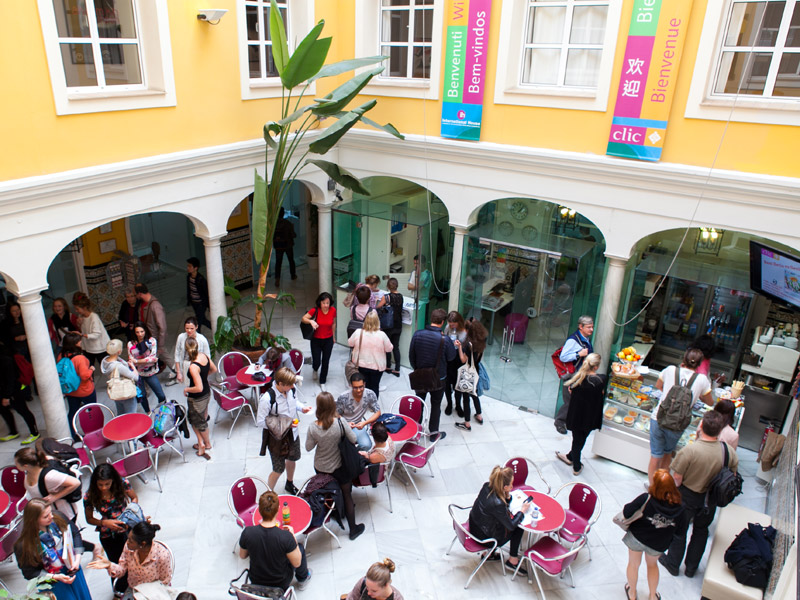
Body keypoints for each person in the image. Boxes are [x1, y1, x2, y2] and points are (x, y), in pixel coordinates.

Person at [658, 411, 739, 579]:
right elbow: (733, 474)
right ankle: (691, 568)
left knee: (680, 530)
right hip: (711, 500)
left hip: (688, 497)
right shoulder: (728, 451)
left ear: (701, 426)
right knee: (701, 531)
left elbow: (678, 479)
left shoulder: (690, 450)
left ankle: (673, 564)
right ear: (720, 430)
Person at [648, 348, 713, 486]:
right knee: (667, 454)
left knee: (655, 455)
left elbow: (659, 385)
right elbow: (710, 402)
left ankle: (652, 487)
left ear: (684, 359)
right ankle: (661, 488)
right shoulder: (702, 380)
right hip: (677, 424)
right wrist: (697, 394)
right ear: (700, 364)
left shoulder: (670, 369)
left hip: (658, 418)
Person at [305, 392, 365, 540]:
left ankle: (333, 510)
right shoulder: (340, 422)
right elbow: (354, 439)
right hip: (340, 467)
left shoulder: (313, 427)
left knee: (328, 490)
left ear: (319, 407)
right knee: (347, 494)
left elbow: (308, 447)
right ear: (333, 405)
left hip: (320, 467)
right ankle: (353, 529)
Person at [622, 469, 684, 600]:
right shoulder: (680, 508)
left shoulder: (646, 499)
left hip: (637, 538)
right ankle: (652, 596)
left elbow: (627, 512)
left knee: (633, 564)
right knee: (652, 566)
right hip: (658, 544)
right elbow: (680, 532)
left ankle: (632, 593)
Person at [14, 499, 93, 600]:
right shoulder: (24, 545)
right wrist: (55, 577)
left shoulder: (57, 517)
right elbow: (29, 573)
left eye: (50, 512)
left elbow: (75, 533)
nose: (51, 516)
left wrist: (77, 559)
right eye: (46, 516)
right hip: (51, 581)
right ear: (33, 520)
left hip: (73, 567)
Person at [83, 463, 139, 597]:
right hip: (108, 534)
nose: (103, 488)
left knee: (132, 558)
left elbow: (134, 498)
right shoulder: (90, 495)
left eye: (107, 484)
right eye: (100, 484)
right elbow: (89, 519)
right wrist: (104, 522)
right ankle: (119, 590)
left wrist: (129, 513)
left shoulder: (122, 483)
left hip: (126, 529)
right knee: (114, 563)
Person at [238, 491, 312, 590]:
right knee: (300, 548)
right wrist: (292, 536)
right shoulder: (286, 537)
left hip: (256, 580)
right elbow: (297, 563)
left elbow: (243, 555)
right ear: (278, 510)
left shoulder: (248, 532)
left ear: (259, 510)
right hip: (280, 583)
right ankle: (303, 579)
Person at [469, 466, 531, 574]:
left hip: (474, 526)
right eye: (511, 484)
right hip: (484, 538)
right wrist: (522, 511)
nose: (512, 486)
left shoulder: (486, 486)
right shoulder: (498, 504)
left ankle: (489, 554)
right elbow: (511, 526)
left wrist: (507, 496)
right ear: (505, 487)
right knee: (518, 527)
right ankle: (513, 561)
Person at [258, 367, 310, 494]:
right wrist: (286, 424)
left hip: (293, 434)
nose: (293, 386)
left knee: (292, 459)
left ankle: (289, 483)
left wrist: (302, 408)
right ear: (280, 384)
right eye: (290, 384)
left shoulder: (291, 389)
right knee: (278, 468)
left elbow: (294, 402)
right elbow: (261, 422)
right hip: (277, 439)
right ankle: (269, 494)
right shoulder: (267, 399)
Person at [89, 521, 173, 596]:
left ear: (142, 544)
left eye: (131, 541)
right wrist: (109, 565)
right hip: (133, 590)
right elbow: (121, 570)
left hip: (153, 594)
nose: (127, 542)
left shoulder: (162, 556)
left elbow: (165, 582)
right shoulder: (128, 548)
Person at [554, 352, 605, 475]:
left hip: (577, 417)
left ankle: (571, 458)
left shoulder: (577, 382)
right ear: (596, 367)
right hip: (591, 417)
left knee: (577, 440)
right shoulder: (601, 380)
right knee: (581, 440)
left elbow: (572, 394)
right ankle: (576, 466)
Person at [408, 308, 457, 434]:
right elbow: (451, 357)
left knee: (419, 404)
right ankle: (434, 433)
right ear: (442, 322)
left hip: (420, 376)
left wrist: (417, 369)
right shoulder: (445, 340)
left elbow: (411, 356)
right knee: (436, 406)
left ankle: (416, 431)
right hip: (438, 379)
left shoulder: (417, 334)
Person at [15, 447, 81, 522]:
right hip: (46, 515)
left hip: (63, 515)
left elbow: (76, 482)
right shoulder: (28, 471)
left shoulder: (49, 476)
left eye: (16, 463)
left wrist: (55, 497)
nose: (15, 465)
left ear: (25, 466)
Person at [554, 315, 594, 435]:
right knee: (570, 400)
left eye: (592, 327)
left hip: (581, 374)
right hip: (572, 376)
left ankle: (572, 420)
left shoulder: (585, 339)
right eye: (588, 327)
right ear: (580, 327)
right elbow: (563, 356)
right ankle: (560, 421)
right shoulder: (573, 340)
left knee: (577, 399)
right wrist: (578, 354)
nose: (591, 330)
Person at [182, 337, 217, 460]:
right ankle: (201, 441)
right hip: (207, 394)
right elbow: (214, 369)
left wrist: (187, 389)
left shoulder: (193, 366)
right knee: (199, 418)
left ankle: (205, 444)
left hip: (197, 398)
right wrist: (203, 377)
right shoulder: (204, 356)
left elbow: (198, 388)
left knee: (197, 421)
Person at [59, 332, 97, 440]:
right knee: (91, 411)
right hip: (84, 390)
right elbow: (84, 376)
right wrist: (91, 369)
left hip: (70, 390)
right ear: (75, 344)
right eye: (79, 341)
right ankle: (93, 433)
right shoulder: (79, 358)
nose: (81, 342)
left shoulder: (61, 355)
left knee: (72, 412)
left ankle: (72, 434)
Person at [0, 342, 39, 444]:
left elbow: (11, 379)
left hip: (13, 391)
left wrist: (7, 396)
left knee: (23, 410)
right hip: (4, 390)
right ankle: (13, 432)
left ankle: (34, 433)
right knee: (4, 411)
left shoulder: (6, 360)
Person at [454, 318, 488, 431]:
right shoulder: (482, 341)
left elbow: (463, 360)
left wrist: (459, 347)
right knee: (474, 394)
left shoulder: (469, 345)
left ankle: (467, 423)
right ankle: (479, 415)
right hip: (476, 371)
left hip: (468, 373)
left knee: (466, 398)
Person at [349, 311, 393, 398]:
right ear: (377, 322)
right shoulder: (382, 335)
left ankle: (362, 404)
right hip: (377, 366)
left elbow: (350, 343)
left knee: (363, 386)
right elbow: (389, 348)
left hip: (361, 365)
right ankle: (373, 405)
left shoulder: (358, 332)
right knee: (374, 387)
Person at [135, 283, 173, 381]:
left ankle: (178, 372)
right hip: (148, 337)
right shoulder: (143, 304)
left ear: (139, 293)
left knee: (158, 356)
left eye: (135, 294)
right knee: (163, 355)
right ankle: (178, 372)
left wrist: (160, 343)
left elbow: (162, 327)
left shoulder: (155, 306)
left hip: (154, 338)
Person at [336, 373, 381, 451]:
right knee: (341, 447)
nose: (358, 390)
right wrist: (346, 424)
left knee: (367, 445)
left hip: (357, 424)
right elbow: (335, 415)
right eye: (355, 387)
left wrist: (365, 423)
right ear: (350, 386)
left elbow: (378, 412)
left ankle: (354, 456)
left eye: (361, 387)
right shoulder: (343, 397)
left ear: (364, 384)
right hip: (343, 425)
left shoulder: (370, 394)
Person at [127, 321, 166, 412]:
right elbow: (131, 360)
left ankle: (164, 412)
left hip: (150, 372)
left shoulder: (151, 341)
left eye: (142, 331)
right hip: (138, 374)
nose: (140, 334)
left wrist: (137, 361)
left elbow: (152, 358)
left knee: (160, 395)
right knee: (142, 395)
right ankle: (147, 412)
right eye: (137, 332)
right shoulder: (131, 344)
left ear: (145, 331)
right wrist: (145, 361)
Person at [302, 292, 336, 391]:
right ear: (320, 303)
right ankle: (315, 369)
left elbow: (333, 323)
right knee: (316, 360)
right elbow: (303, 318)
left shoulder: (333, 310)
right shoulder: (315, 310)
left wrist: (333, 336)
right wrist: (311, 321)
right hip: (316, 340)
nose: (326, 305)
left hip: (328, 339)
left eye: (327, 303)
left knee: (326, 361)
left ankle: (322, 381)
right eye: (324, 303)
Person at [101, 339, 140, 416]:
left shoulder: (105, 361)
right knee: (131, 415)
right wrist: (133, 367)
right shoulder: (118, 366)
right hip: (125, 391)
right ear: (119, 351)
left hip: (115, 390)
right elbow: (136, 377)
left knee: (120, 413)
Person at [73, 295, 110, 368]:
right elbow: (83, 330)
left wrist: (83, 335)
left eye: (77, 309)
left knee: (106, 368)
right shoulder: (82, 317)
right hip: (88, 347)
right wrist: (79, 324)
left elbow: (96, 334)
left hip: (99, 348)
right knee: (88, 368)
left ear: (84, 308)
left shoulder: (94, 317)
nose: (76, 311)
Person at [173, 317, 211, 386]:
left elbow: (207, 356)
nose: (189, 330)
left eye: (191, 328)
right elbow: (177, 354)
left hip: (198, 366)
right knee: (188, 386)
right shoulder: (181, 337)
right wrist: (178, 372)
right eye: (187, 328)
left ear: (196, 327)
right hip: (186, 364)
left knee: (198, 386)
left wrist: (205, 371)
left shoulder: (202, 339)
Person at [443, 311, 467, 416]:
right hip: (448, 358)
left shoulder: (464, 332)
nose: (451, 325)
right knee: (447, 384)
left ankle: (458, 405)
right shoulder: (448, 328)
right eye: (450, 322)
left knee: (458, 385)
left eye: (454, 323)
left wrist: (459, 345)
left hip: (458, 359)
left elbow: (466, 348)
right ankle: (449, 403)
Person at [383, 278, 404, 377]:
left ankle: (388, 366)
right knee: (396, 347)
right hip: (398, 325)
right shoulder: (401, 297)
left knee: (387, 347)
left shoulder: (386, 297)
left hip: (388, 325)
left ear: (388, 287)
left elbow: (378, 306)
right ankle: (397, 368)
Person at [273, 207, 297, 287]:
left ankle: (277, 278)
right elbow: (293, 235)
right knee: (291, 260)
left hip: (278, 246)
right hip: (288, 245)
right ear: (283, 214)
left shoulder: (274, 224)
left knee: (278, 263)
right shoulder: (288, 223)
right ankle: (293, 275)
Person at [186, 257, 211, 331]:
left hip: (201, 304)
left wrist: (208, 305)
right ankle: (215, 329)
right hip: (194, 303)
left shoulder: (201, 279)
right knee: (202, 319)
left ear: (195, 268)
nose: (188, 268)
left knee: (198, 323)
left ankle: (197, 337)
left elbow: (206, 293)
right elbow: (189, 289)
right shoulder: (189, 277)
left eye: (190, 266)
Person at [407, 255, 431, 330]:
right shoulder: (413, 272)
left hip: (423, 301)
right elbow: (408, 287)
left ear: (423, 263)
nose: (415, 265)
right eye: (414, 263)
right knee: (413, 321)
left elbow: (419, 287)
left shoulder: (427, 274)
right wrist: (415, 286)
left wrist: (417, 275)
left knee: (422, 322)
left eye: (417, 264)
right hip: (413, 299)